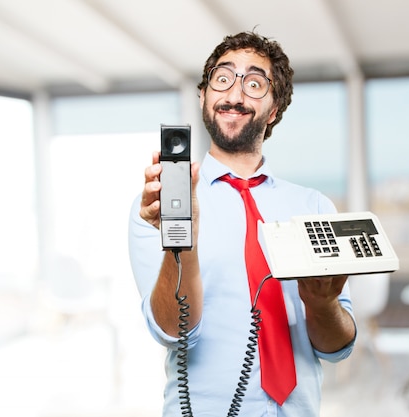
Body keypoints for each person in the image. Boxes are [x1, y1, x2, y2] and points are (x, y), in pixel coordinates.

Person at [128, 31, 357, 416]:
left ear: (273, 109)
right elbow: (172, 330)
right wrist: (182, 244)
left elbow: (337, 347)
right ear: (203, 96)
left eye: (254, 84)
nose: (234, 95)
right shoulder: (158, 208)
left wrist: (322, 304)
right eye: (223, 79)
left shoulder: (314, 207)